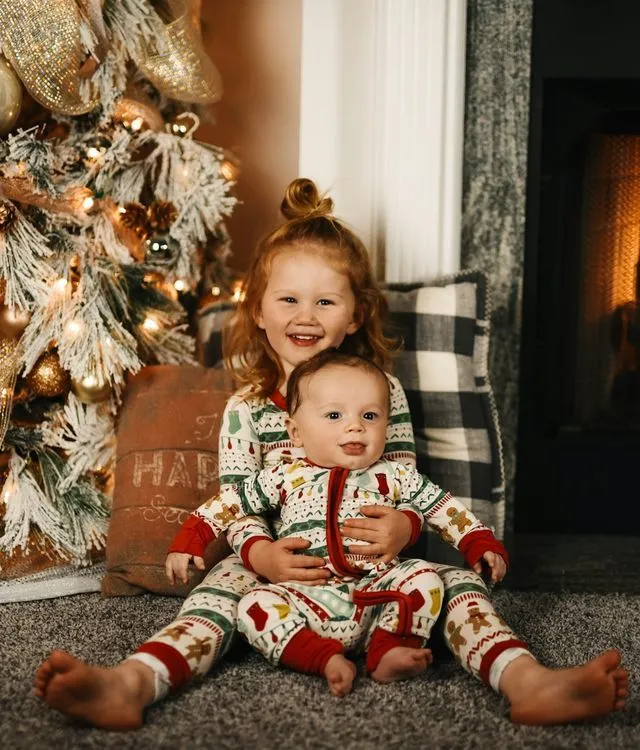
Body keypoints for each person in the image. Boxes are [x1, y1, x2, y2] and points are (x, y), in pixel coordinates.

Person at [34, 178, 628, 729]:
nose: (305, 316)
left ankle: (527, 682)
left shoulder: (381, 391)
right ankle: (133, 683)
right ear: (258, 311)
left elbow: (403, 480)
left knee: (456, 587)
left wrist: (405, 526)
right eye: (288, 300)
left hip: (380, 570)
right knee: (217, 588)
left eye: (325, 302)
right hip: (283, 571)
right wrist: (261, 554)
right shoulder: (247, 407)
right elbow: (239, 501)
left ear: (355, 315)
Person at [169, 349, 508, 697]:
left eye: (370, 415)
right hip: (306, 594)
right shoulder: (284, 476)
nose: (355, 426)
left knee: (423, 576)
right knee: (254, 606)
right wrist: (193, 536)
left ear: (387, 426)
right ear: (296, 432)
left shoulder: (394, 475)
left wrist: (477, 541)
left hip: (377, 591)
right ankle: (322, 658)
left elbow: (442, 507)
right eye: (334, 415)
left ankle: (391, 647)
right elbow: (232, 502)